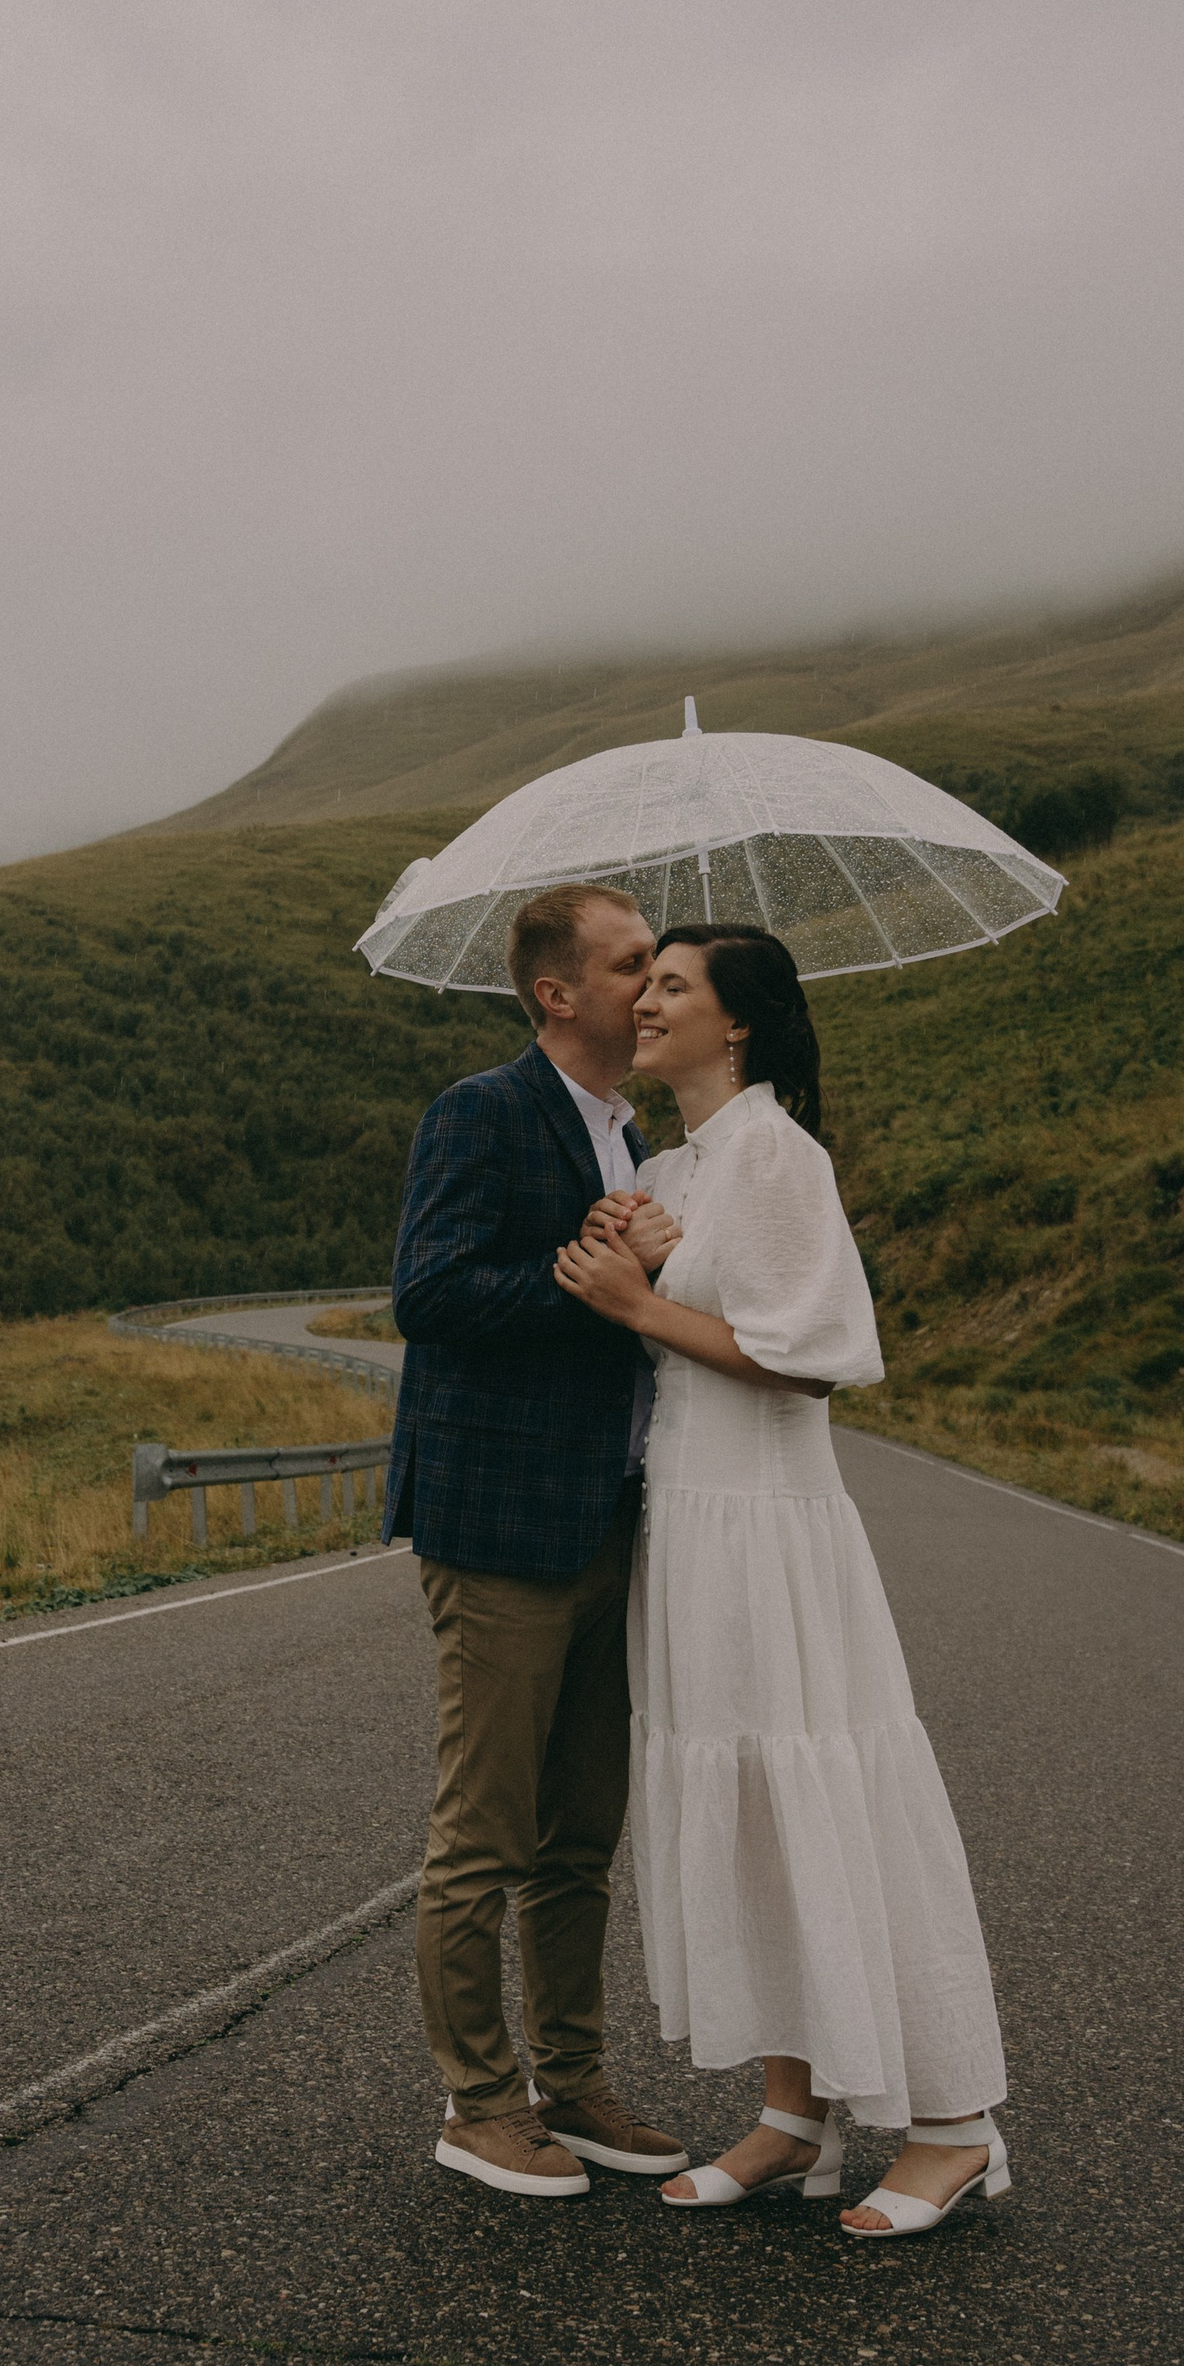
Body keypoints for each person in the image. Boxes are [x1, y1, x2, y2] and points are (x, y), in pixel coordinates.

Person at [551, 923, 1011, 2242]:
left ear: (737, 1024)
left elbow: (812, 1356)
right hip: (691, 1522)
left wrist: (637, 1304)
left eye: (675, 986)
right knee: (746, 1801)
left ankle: (952, 2126)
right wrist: (635, 1246)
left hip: (771, 1515)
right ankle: (793, 2116)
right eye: (647, 981)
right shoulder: (676, 1163)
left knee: (827, 1787)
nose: (645, 1001)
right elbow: (696, 1302)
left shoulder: (779, 1156)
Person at [386, 883, 692, 2200]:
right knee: (486, 1833)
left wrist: (649, 1270)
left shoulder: (641, 1137)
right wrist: (594, 1268)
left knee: (581, 1835)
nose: (657, 981)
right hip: (502, 1525)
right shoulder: (485, 1110)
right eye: (632, 964)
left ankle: (573, 2079)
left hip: (614, 1513)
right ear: (556, 992)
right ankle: (478, 2103)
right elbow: (432, 1289)